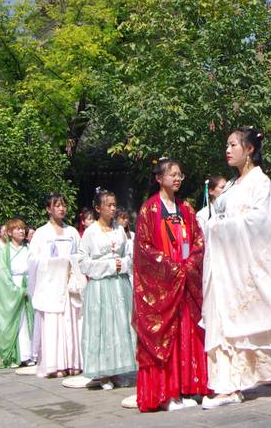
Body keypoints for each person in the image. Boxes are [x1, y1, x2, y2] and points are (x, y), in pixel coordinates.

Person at [200, 127, 271, 409]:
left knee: (262, 320)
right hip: (225, 262)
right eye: (227, 145)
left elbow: (259, 222)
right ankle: (229, 385)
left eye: (233, 145)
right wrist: (214, 225)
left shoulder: (259, 182)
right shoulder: (233, 185)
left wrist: (220, 227)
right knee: (224, 322)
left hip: (246, 263)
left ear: (249, 149)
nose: (228, 150)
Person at [126, 158, 208, 412]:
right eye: (172, 174)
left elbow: (198, 241)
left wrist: (191, 262)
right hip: (162, 286)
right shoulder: (149, 210)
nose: (177, 178)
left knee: (190, 333)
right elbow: (143, 250)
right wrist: (170, 267)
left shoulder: (187, 209)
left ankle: (190, 387)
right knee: (165, 338)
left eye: (180, 174)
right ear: (158, 179)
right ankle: (165, 394)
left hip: (185, 284)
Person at [72, 188, 136, 390]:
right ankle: (103, 372)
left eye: (114, 204)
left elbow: (129, 255)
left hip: (120, 284)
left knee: (121, 325)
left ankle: (118, 369)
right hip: (101, 285)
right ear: (98, 208)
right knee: (103, 325)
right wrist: (109, 266)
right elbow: (83, 262)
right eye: (108, 205)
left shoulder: (119, 229)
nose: (112, 208)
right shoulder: (91, 232)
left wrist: (122, 264)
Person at [30, 193, 84, 378]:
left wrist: (72, 264)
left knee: (73, 323)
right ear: (48, 209)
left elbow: (80, 255)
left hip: (69, 284)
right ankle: (55, 364)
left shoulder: (72, 232)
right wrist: (53, 263)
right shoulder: (41, 233)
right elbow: (34, 260)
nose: (61, 209)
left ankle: (74, 362)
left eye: (63, 205)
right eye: (57, 205)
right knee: (54, 324)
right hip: (51, 285)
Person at [0, 218, 35, 369]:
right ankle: (16, 355)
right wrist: (17, 291)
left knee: (31, 321)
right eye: (17, 229)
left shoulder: (29, 248)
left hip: (30, 285)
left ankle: (30, 354)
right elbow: (3, 275)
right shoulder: (5, 251)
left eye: (23, 228)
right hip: (13, 288)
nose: (21, 231)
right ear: (10, 233)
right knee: (17, 322)